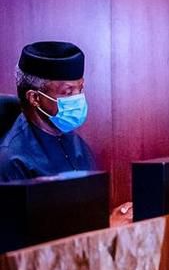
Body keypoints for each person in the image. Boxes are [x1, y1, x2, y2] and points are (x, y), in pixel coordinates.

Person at [0, 41, 97, 181]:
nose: (78, 98)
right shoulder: (13, 161)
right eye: (68, 92)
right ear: (34, 98)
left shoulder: (76, 143)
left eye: (80, 89)